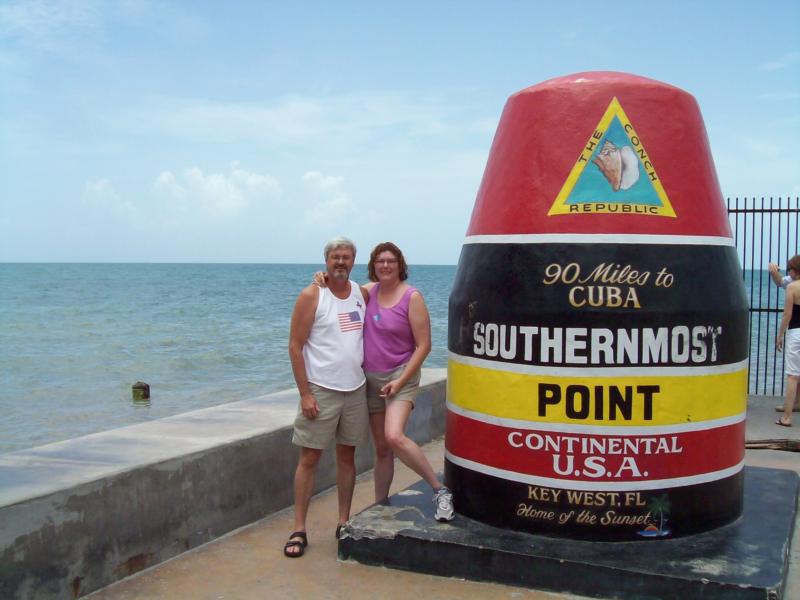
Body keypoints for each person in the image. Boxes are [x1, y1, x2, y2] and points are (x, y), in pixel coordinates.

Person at [318, 242, 454, 521]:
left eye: (391, 260)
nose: (385, 265)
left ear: (400, 264)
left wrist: (400, 380)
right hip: (370, 378)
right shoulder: (367, 292)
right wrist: (322, 279)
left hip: (401, 375)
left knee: (394, 436)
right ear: (373, 265)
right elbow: (339, 290)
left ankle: (440, 490)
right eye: (380, 261)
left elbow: (424, 345)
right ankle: (381, 504)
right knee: (381, 449)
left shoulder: (411, 297)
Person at [285, 237, 369, 558]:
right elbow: (295, 346)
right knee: (309, 459)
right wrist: (305, 393)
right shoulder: (312, 295)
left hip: (355, 390)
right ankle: (299, 528)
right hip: (320, 390)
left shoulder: (361, 294)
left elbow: (390, 285)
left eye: (346, 257)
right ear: (326, 261)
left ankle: (344, 521)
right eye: (335, 257)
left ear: (353, 261)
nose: (341, 262)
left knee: (347, 458)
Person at [775, 255, 800, 427]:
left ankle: (787, 417)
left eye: (790, 269)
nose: (789, 272)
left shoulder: (792, 287)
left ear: (795, 270)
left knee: (793, 376)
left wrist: (780, 335)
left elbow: (788, 315)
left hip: (796, 333)